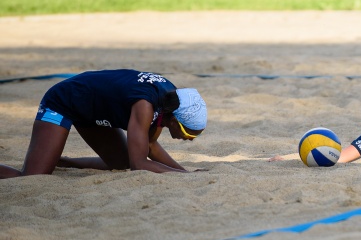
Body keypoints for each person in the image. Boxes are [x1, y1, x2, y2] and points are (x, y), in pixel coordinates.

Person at [0, 69, 208, 179]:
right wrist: (183, 176)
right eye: (187, 133)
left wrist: (186, 174)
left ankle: (59, 160)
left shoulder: (170, 99)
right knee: (32, 177)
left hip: (93, 108)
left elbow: (151, 146)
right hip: (64, 100)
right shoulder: (145, 106)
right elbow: (140, 164)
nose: (186, 139)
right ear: (174, 119)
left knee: (120, 163)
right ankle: (45, 158)